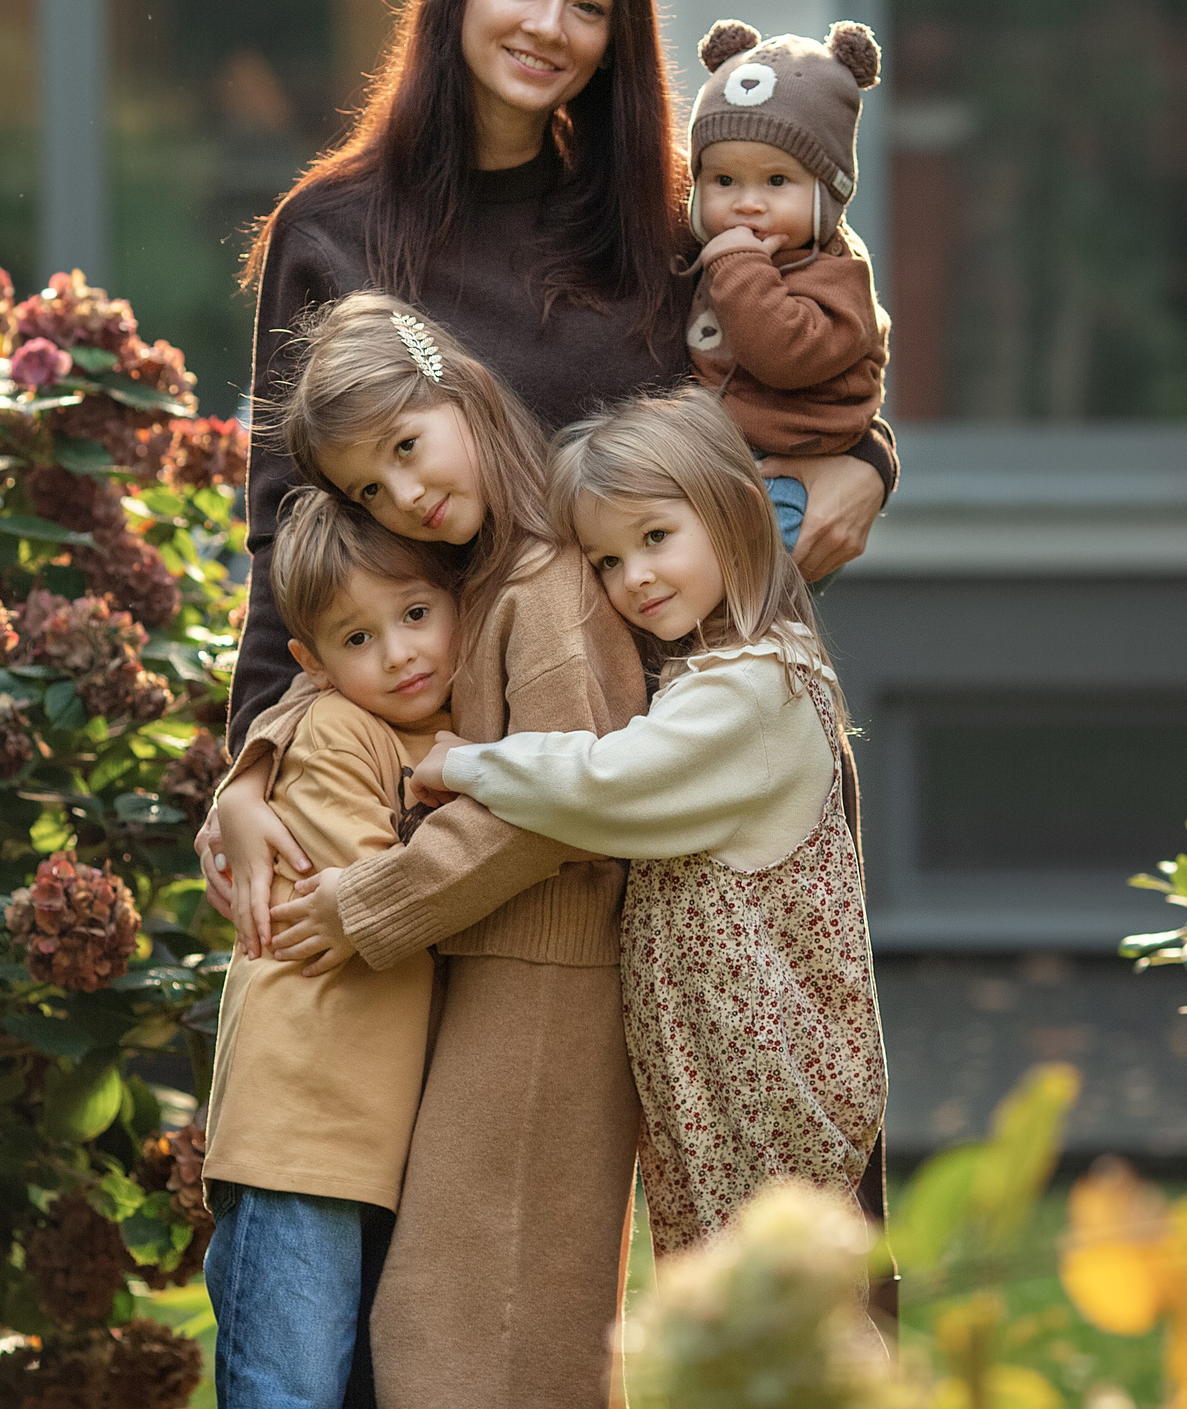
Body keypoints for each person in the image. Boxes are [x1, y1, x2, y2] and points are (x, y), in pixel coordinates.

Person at [197, 0, 899, 1406]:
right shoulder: (334, 227)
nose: (551, 27)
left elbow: (790, 388)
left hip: (600, 812)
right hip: (386, 775)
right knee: (359, 1260)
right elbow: (281, 540)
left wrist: (867, 458)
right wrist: (248, 765)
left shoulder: (647, 227)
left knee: (574, 1259)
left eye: (591, 5)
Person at [324, 386, 889, 1257]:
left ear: (732, 511)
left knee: (780, 1325)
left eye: (655, 538)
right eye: (607, 562)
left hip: (769, 1092)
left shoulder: (756, 688)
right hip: (709, 1088)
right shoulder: (717, 672)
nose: (636, 579)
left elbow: (603, 783)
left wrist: (463, 761)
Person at [217, 292, 649, 1408]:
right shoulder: (466, 580)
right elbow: (349, 686)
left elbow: (559, 800)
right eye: (370, 486)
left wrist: (375, 903)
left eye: (406, 449)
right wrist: (256, 757)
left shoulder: (548, 587)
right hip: (486, 977)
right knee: (431, 1335)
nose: (403, 495)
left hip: (547, 990)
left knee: (475, 1334)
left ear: (459, 391)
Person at [202, 489, 461, 1409]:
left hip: (366, 1131)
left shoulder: (420, 733)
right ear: (309, 663)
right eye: (357, 639)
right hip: (300, 1131)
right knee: (289, 1388)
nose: (399, 654)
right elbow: (389, 892)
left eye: (418, 614)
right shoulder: (331, 729)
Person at [681, 19, 891, 553]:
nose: (747, 202)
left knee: (752, 566)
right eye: (723, 181)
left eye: (777, 181)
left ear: (827, 192)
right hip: (721, 460)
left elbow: (784, 353)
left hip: (793, 469)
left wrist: (738, 269)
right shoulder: (723, 254)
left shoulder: (836, 274)